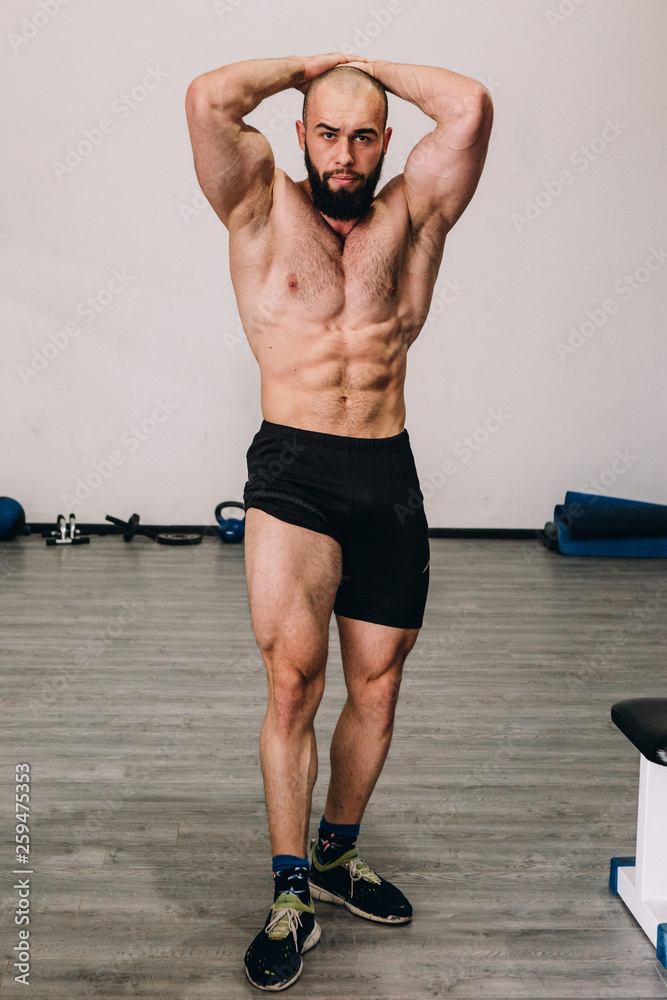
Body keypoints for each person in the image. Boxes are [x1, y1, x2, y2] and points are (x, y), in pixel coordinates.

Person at [185, 52, 493, 991]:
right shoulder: (256, 205)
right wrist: (310, 70)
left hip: (386, 470)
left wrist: (372, 76)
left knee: (379, 685)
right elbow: (207, 99)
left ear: (388, 138)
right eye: (328, 133)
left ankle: (336, 851)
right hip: (295, 469)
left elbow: (471, 106)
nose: (346, 155)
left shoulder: (414, 211)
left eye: (364, 136)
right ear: (300, 132)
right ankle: (289, 893)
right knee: (293, 684)